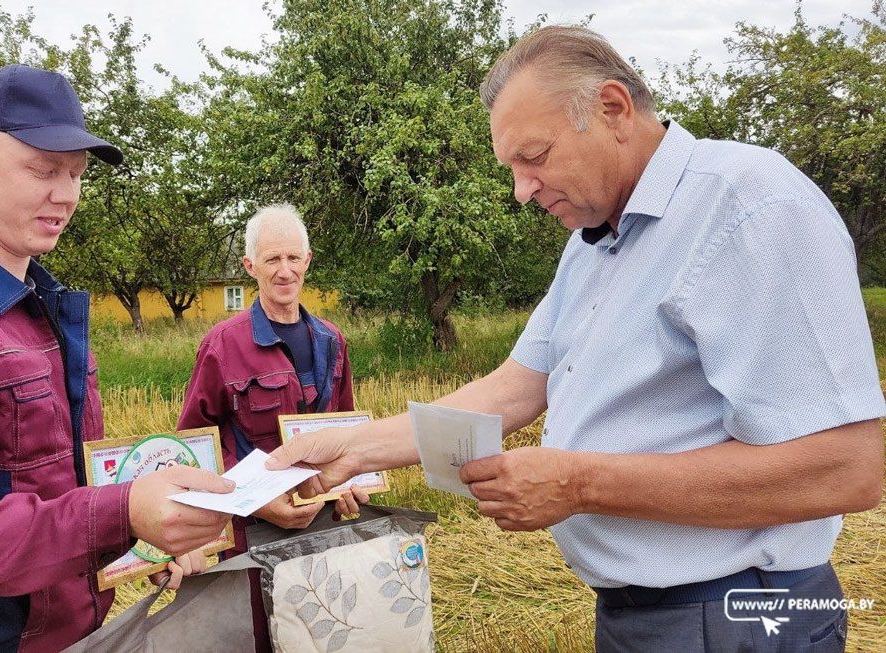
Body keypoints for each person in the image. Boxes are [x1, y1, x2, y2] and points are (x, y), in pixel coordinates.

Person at [267, 26, 885, 652]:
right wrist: (350, 450)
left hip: (738, 612)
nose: (522, 190)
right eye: (512, 168)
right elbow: (514, 387)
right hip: (640, 613)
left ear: (612, 109)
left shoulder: (750, 208)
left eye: (534, 157)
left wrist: (578, 484)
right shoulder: (594, 244)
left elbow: (846, 468)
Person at [0, 65, 234, 652]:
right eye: (42, 169)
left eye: (76, 174)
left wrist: (146, 543)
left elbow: (56, 489)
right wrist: (122, 514)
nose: (66, 195)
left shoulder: (42, 308)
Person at [178, 203, 367, 651]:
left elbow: (347, 430)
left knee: (320, 633)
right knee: (259, 636)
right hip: (251, 531)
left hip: (321, 524)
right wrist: (260, 503)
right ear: (250, 267)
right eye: (272, 259)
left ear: (308, 261)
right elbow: (194, 444)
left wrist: (348, 487)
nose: (284, 271)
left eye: (293, 258)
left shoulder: (331, 340)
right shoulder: (223, 345)